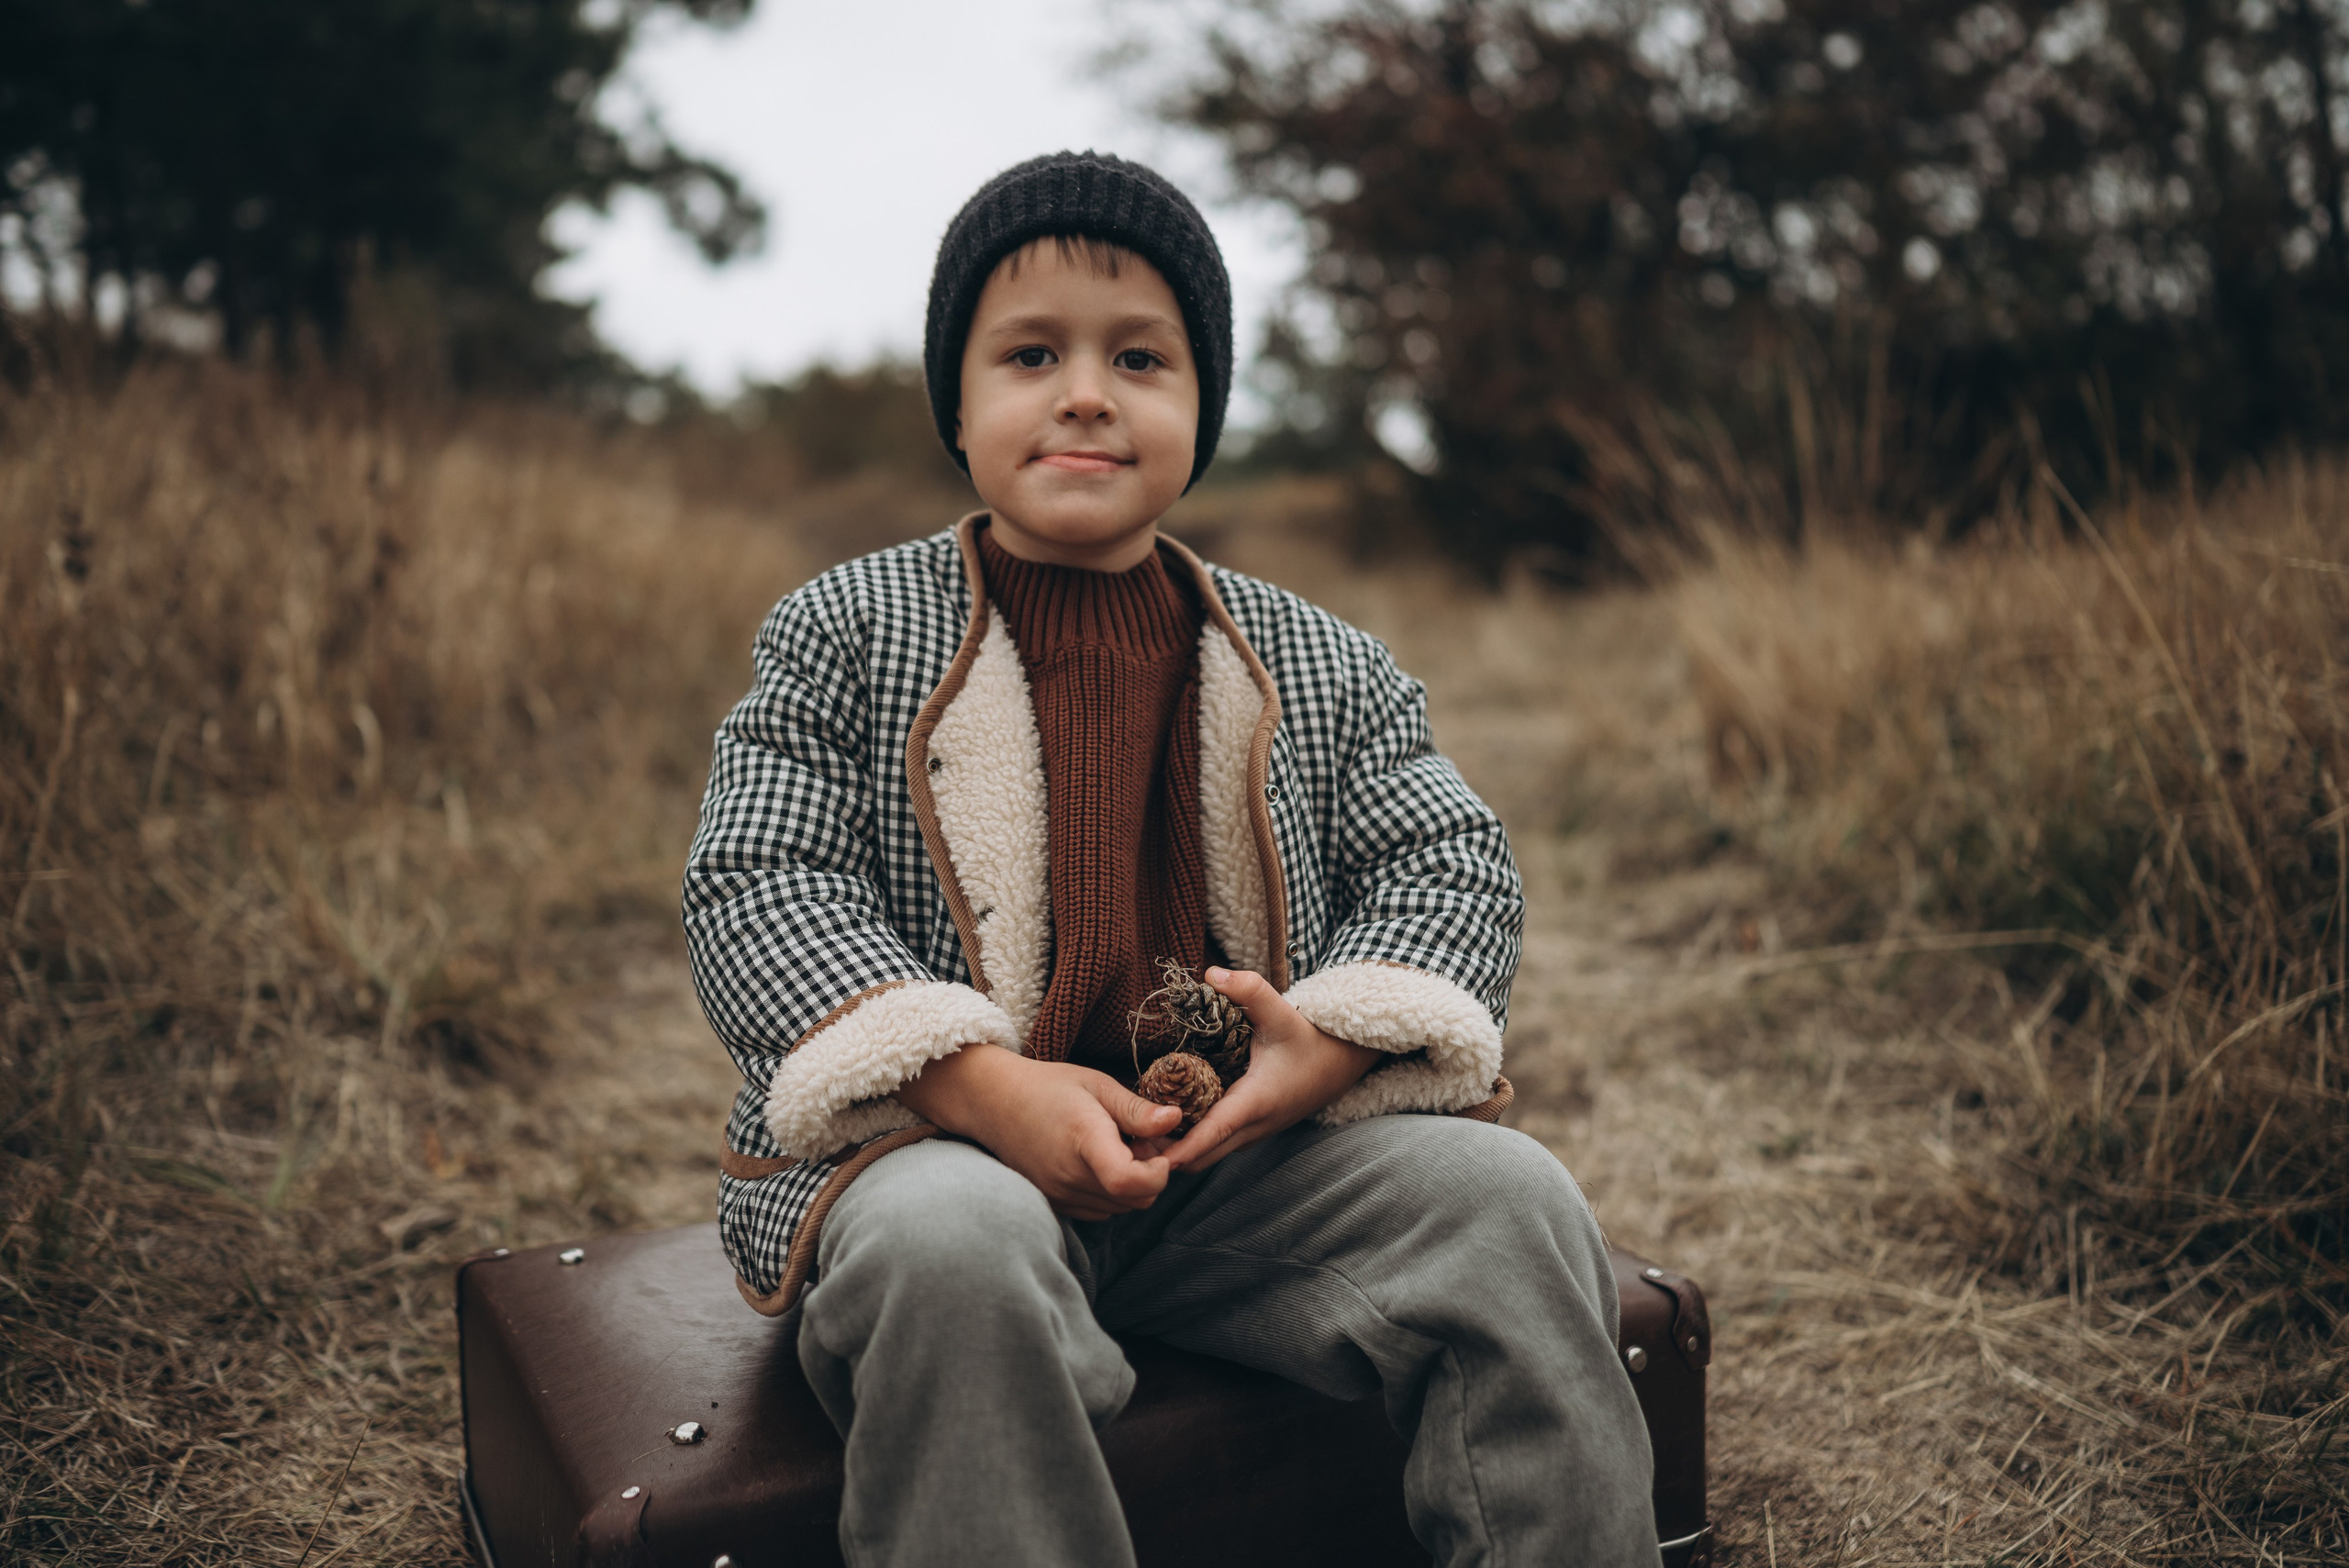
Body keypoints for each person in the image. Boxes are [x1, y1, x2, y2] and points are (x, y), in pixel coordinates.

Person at [684, 150, 1660, 1568]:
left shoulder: (1318, 658)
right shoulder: (843, 631)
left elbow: (1452, 859)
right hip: (944, 1152)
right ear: (957, 405)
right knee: (953, 1255)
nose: (1087, 390)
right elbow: (759, 882)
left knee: (1513, 1207)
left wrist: (1329, 1040)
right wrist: (976, 1079)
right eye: (1031, 352)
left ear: (1202, 410)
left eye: (1140, 356)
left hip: (1237, 1171)